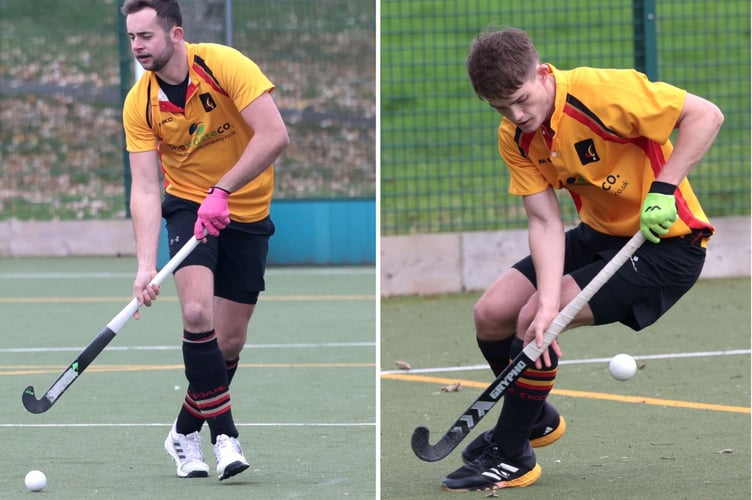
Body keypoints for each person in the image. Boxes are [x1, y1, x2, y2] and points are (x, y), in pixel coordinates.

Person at [441, 27, 723, 492]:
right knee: (492, 314)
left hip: (668, 247)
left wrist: (665, 188)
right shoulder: (515, 135)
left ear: (541, 73)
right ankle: (534, 419)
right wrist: (549, 300)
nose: (516, 114)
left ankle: (512, 455)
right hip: (600, 234)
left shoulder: (602, 93)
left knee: (536, 318)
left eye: (521, 98)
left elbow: (706, 116)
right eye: (500, 107)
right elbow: (545, 223)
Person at [120, 0, 289, 481]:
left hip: (246, 210)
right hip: (188, 206)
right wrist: (143, 265)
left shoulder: (224, 64)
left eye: (145, 36)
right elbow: (147, 188)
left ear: (175, 34)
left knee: (229, 341)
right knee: (197, 315)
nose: (138, 47)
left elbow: (275, 134)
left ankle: (181, 433)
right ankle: (225, 437)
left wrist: (224, 190)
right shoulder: (140, 103)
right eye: (132, 38)